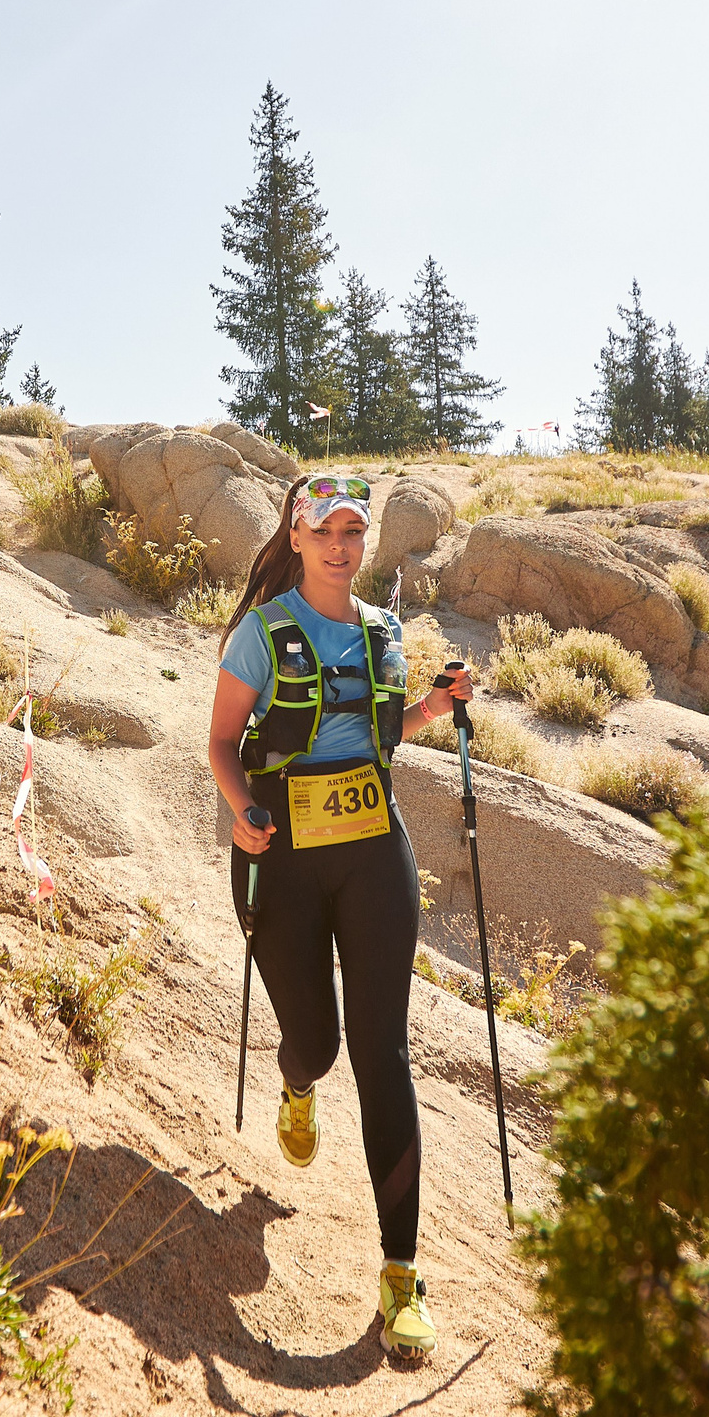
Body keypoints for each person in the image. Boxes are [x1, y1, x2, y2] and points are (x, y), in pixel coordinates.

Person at [205, 473, 473, 1363]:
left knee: (381, 1052)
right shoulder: (263, 632)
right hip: (280, 853)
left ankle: (402, 1273)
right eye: (324, 531)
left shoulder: (383, 631)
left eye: (353, 532)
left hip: (372, 853)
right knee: (316, 1046)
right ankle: (296, 1082)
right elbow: (222, 742)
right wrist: (241, 809)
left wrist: (436, 706)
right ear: (296, 535)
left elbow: (380, 729)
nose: (340, 547)